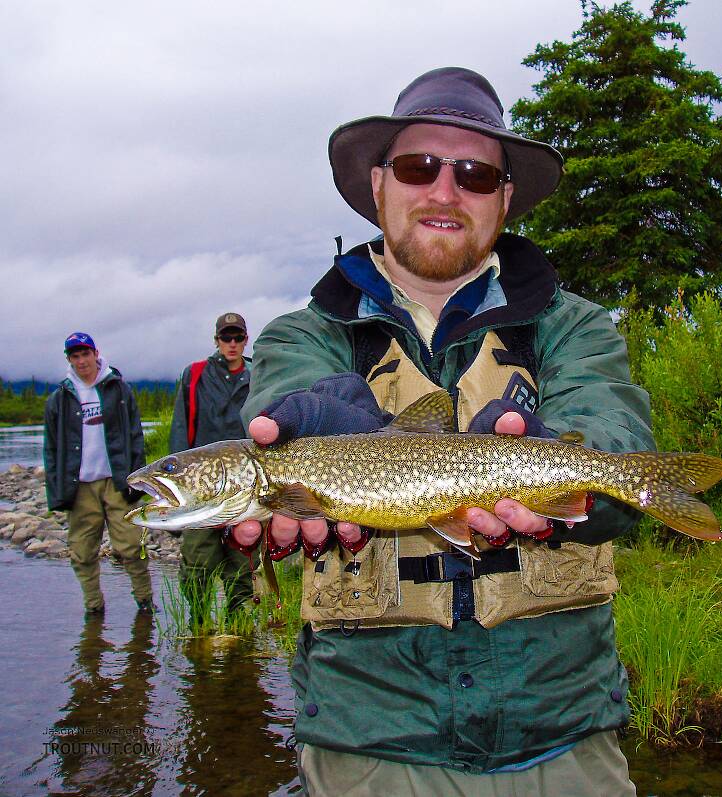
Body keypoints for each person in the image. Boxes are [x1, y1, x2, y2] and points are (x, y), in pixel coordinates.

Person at [236, 68, 653, 795]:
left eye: (475, 174)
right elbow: (290, 396)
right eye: (418, 166)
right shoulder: (300, 334)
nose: (444, 190)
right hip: (371, 742)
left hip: (564, 735)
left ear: (506, 197)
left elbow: (613, 429)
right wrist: (323, 427)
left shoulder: (576, 326)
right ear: (378, 186)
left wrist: (559, 457)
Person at [44, 332, 154, 616]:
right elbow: (52, 448)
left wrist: (138, 479)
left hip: (116, 481)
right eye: (75, 356)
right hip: (79, 485)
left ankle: (144, 603)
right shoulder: (59, 398)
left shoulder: (118, 389)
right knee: (82, 551)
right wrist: (56, 492)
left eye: (85, 354)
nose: (82, 361)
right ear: (69, 360)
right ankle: (93, 607)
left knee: (131, 546)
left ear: (96, 354)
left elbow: (135, 435)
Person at [169, 312, 258, 615]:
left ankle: (241, 629)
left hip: (247, 485)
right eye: (226, 337)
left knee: (243, 561)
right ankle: (198, 623)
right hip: (201, 486)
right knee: (197, 561)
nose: (232, 344)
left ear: (246, 340)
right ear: (217, 340)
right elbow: (180, 431)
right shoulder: (194, 375)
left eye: (238, 337)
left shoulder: (258, 374)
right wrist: (175, 495)